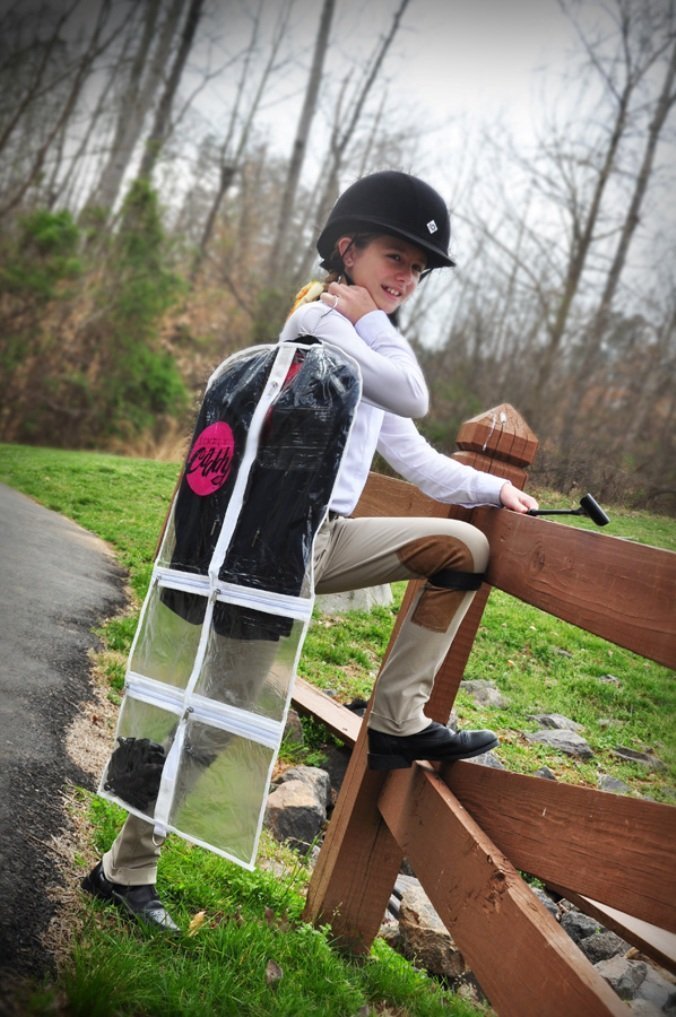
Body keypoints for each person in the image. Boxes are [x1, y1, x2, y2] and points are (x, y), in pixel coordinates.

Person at [82, 170, 538, 930]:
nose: (406, 278)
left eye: (418, 270)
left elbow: (413, 449)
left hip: (321, 540)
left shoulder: (363, 345)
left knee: (459, 547)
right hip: (266, 549)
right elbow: (416, 393)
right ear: (347, 249)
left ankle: (395, 718)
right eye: (396, 257)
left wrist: (495, 493)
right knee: (219, 711)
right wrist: (354, 320)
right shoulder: (317, 327)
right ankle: (124, 868)